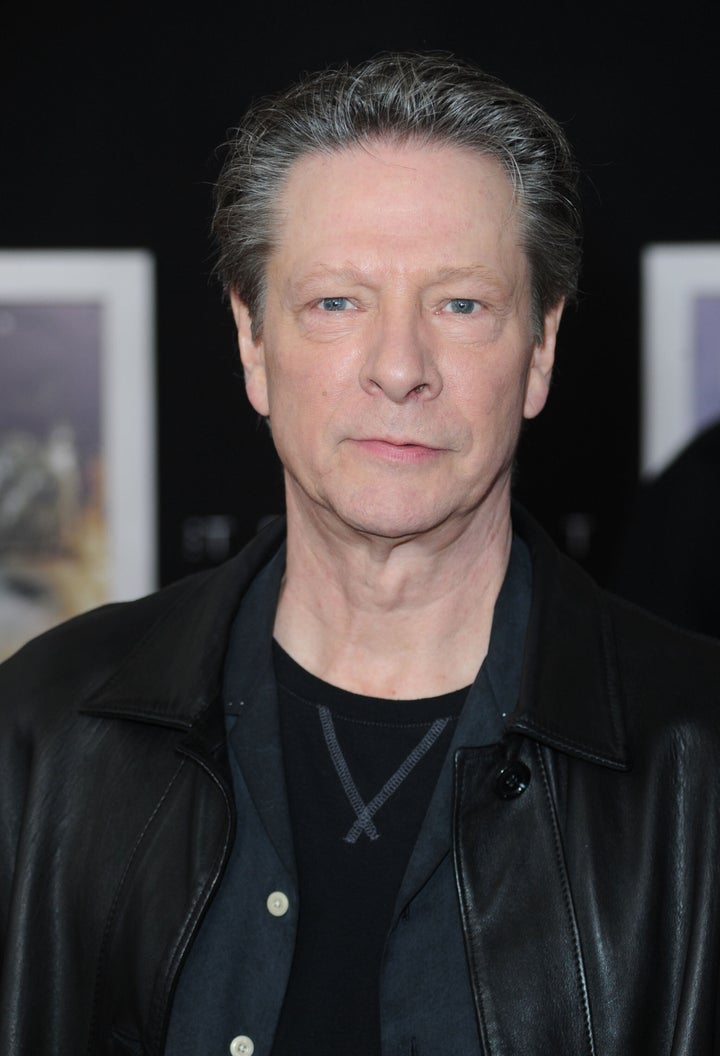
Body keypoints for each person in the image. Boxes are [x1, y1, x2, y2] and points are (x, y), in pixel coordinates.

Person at [1, 52, 719, 1056]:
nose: (398, 368)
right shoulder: (49, 731)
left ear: (541, 349)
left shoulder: (698, 761)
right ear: (254, 342)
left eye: (460, 304)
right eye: (338, 302)